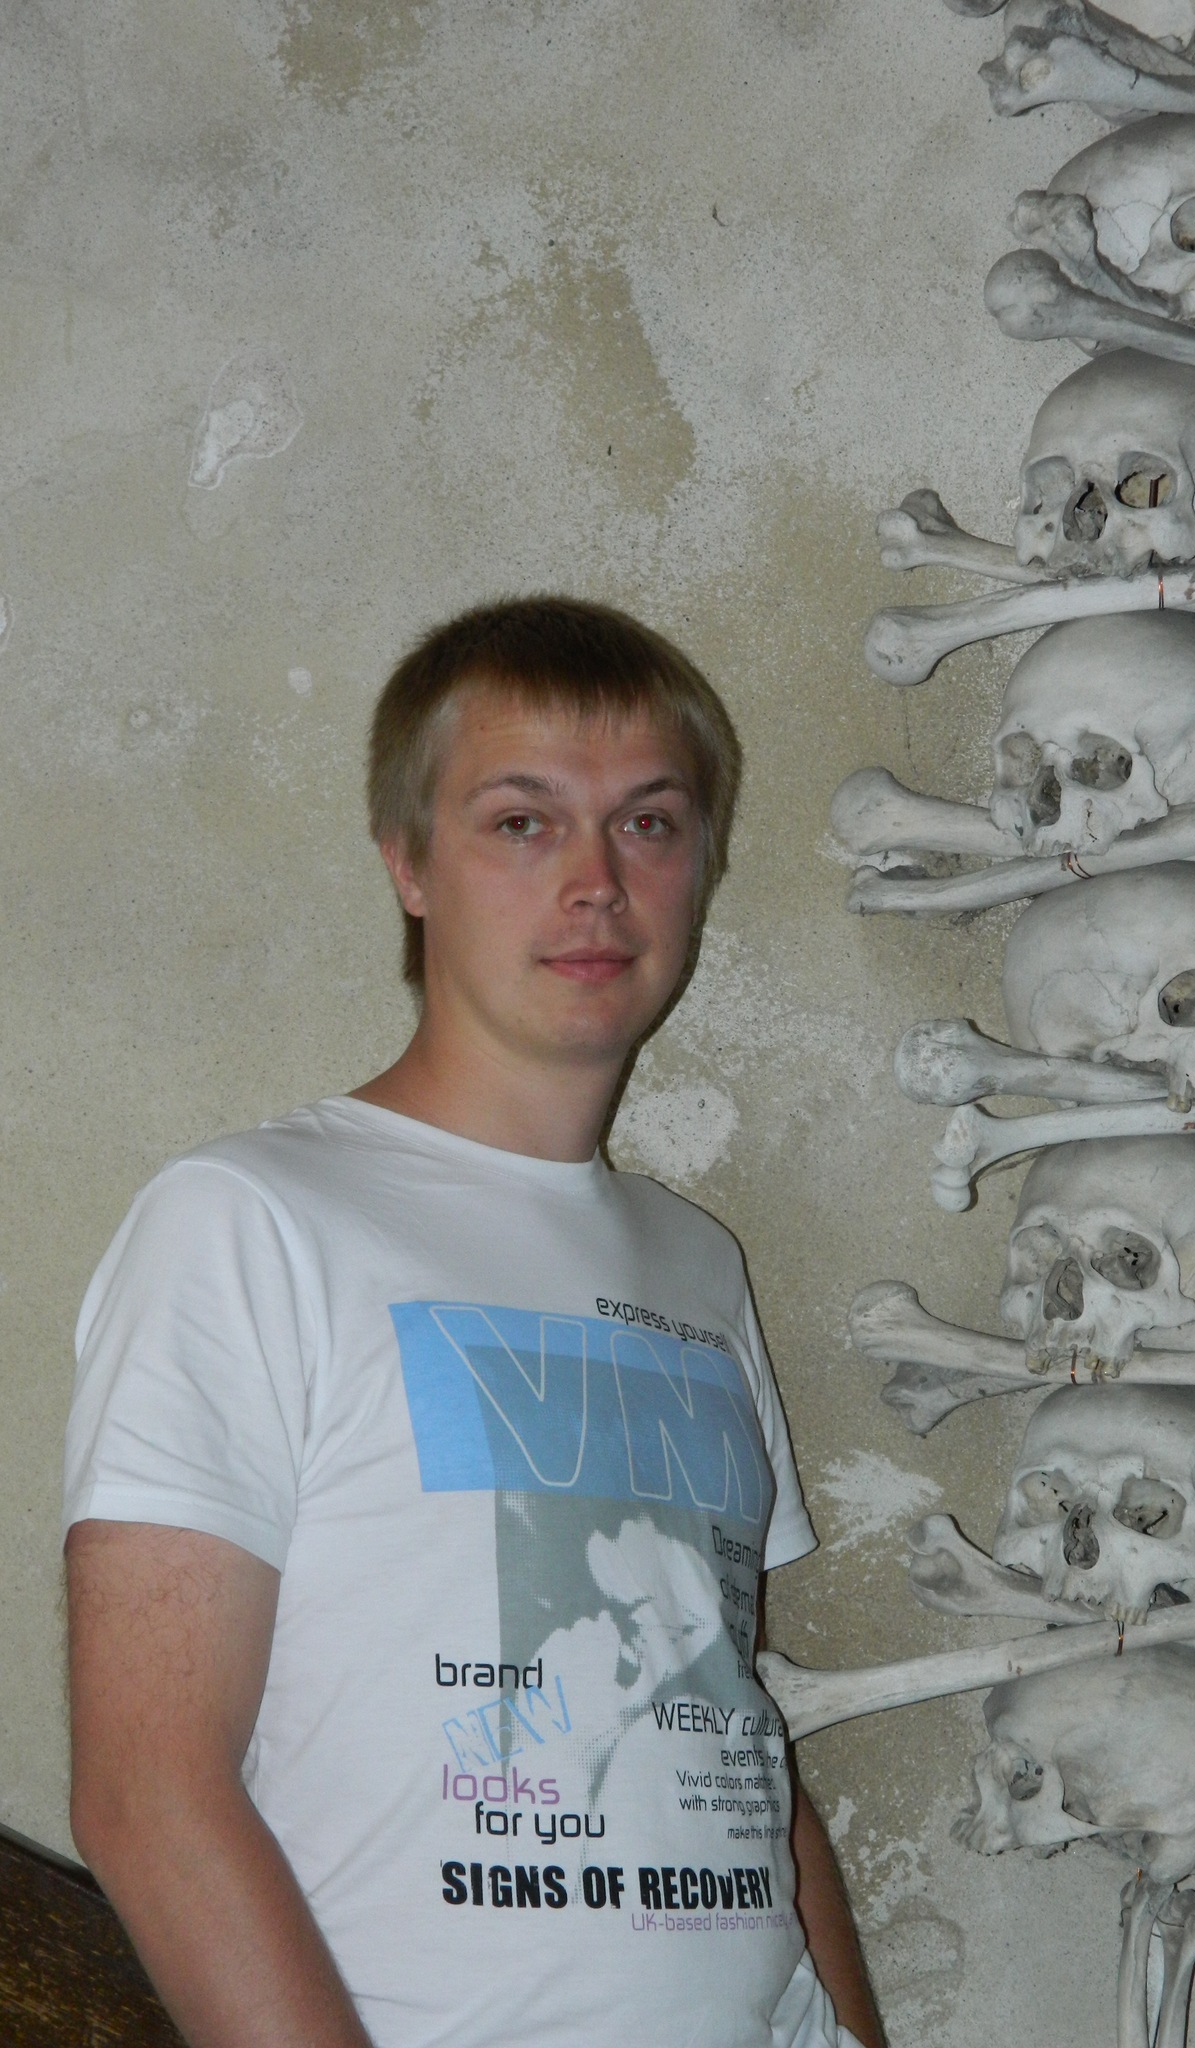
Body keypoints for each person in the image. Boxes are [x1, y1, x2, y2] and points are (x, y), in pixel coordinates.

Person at [64, 598, 883, 2048]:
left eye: (648, 823)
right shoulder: (247, 1221)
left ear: (701, 867)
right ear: (408, 861)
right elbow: (149, 1793)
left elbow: (735, 1729)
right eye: (522, 822)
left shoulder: (700, 1266)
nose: (596, 884)